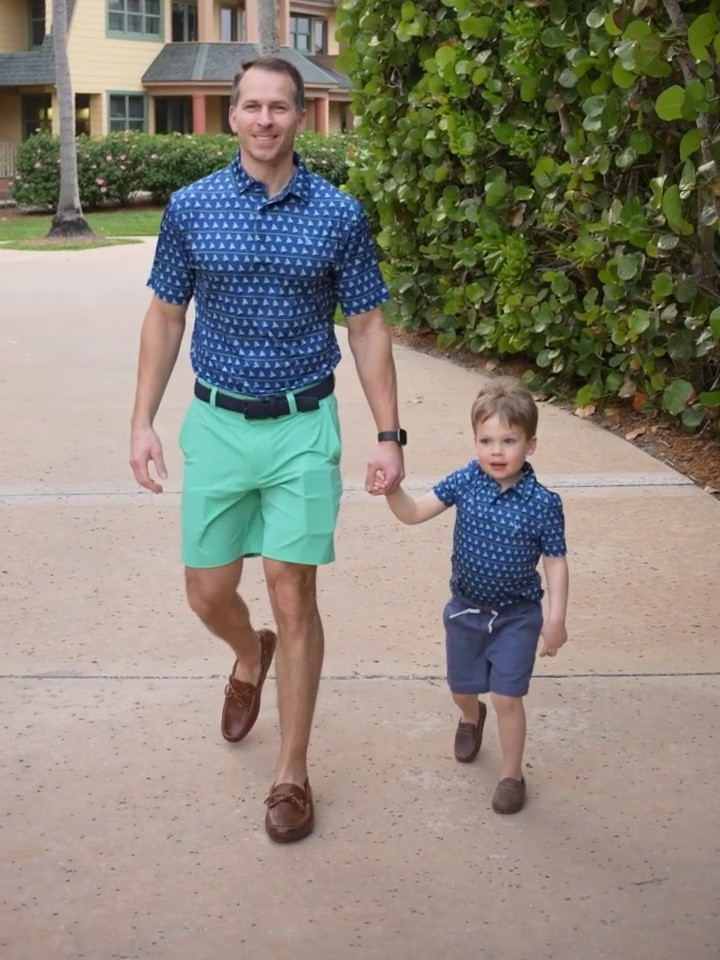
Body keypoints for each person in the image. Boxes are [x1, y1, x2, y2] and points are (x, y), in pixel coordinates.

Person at [129, 55, 406, 843]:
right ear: (233, 115)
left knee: (295, 594)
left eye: (278, 107)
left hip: (301, 425)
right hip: (216, 424)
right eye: (251, 106)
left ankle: (292, 772)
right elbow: (165, 315)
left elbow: (367, 325)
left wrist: (388, 433)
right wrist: (142, 420)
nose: (264, 119)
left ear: (301, 115)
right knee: (208, 593)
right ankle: (248, 652)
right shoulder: (192, 206)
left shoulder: (337, 214)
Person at [375, 376, 568, 815]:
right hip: (465, 610)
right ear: (474, 440)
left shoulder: (543, 503)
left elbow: (555, 561)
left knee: (506, 696)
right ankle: (469, 716)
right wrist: (393, 491)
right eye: (486, 440)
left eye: (509, 440)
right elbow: (415, 512)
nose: (496, 451)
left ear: (530, 444)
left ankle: (511, 774)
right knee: (463, 688)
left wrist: (555, 618)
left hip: (518, 615)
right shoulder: (467, 480)